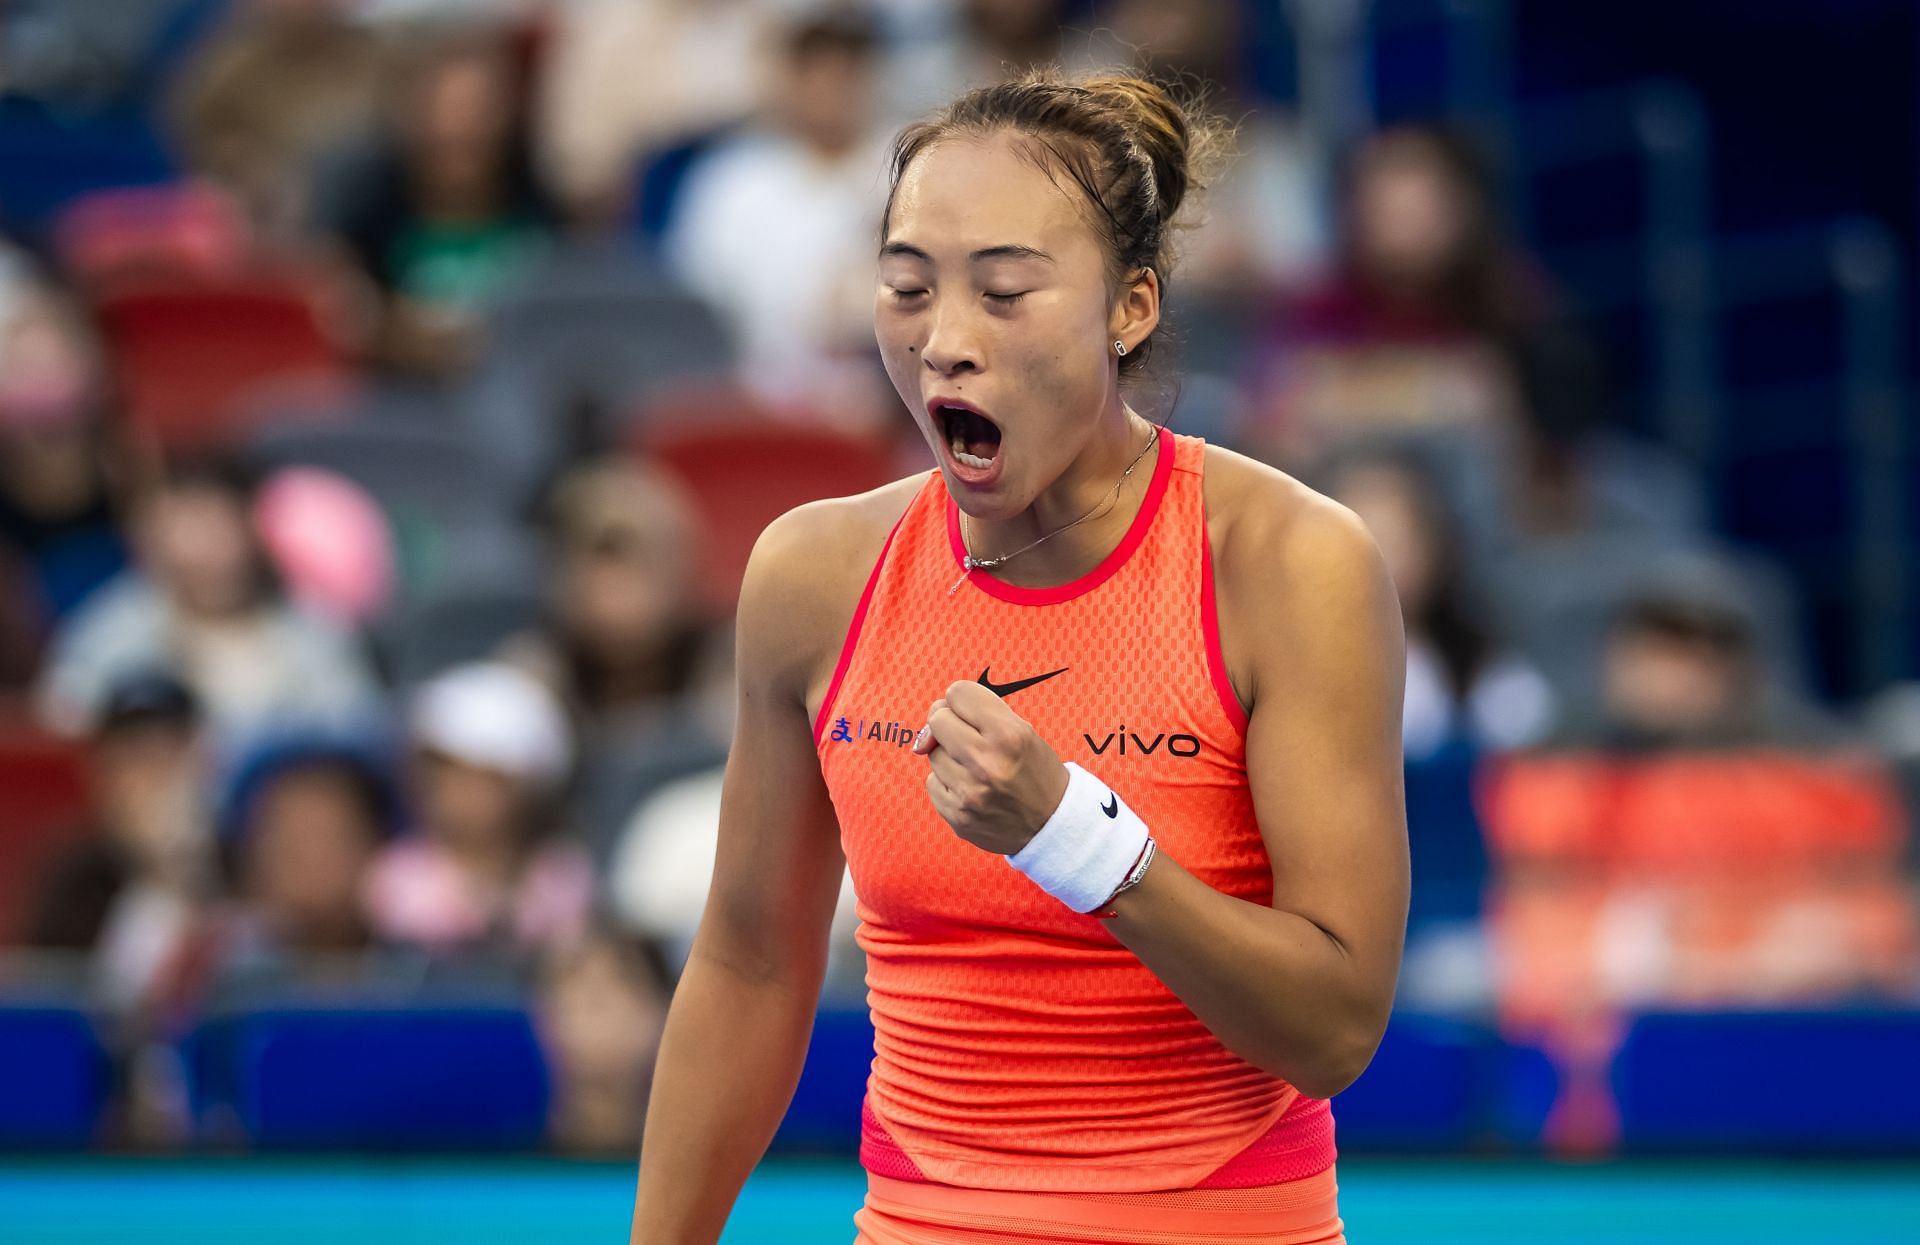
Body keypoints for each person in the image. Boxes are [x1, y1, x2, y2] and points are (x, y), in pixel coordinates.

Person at [631, 71, 1408, 1245]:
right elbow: (749, 969)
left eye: (1005, 292)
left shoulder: (1290, 563)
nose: (944, 341)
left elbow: (1335, 1030)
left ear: (1129, 307)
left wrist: (1078, 842)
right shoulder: (811, 576)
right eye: (906, 288)